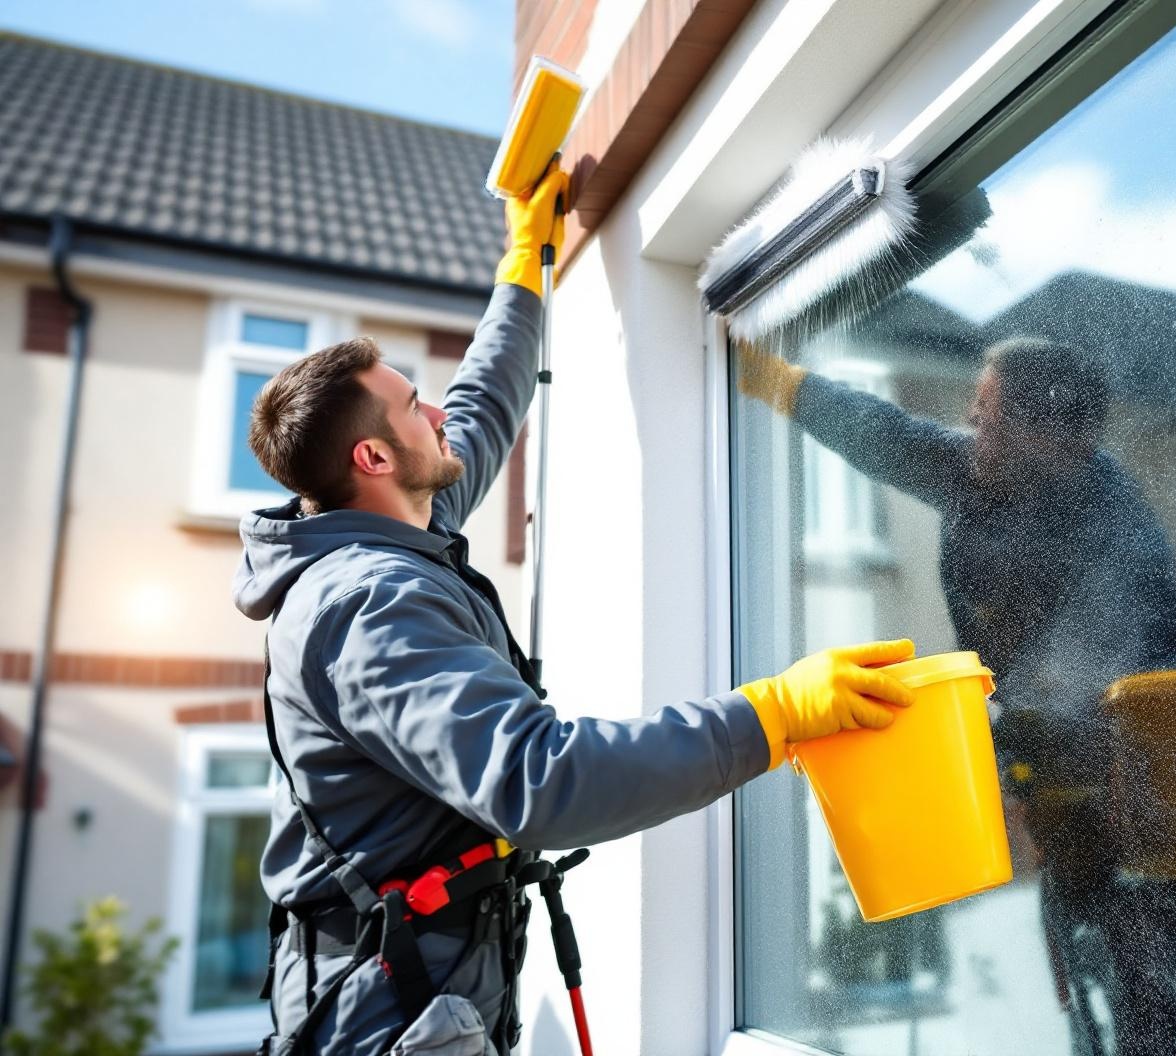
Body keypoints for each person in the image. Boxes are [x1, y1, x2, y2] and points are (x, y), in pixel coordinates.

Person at [234, 164, 917, 1056]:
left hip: (432, 987)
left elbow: (482, 403)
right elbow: (540, 781)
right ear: (372, 456)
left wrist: (525, 264)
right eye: (410, 404)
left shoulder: (396, 520)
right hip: (385, 1018)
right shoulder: (368, 605)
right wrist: (772, 716)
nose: (433, 409)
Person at [739, 338, 1176, 1054]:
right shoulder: (973, 472)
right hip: (1068, 770)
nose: (973, 432)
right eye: (977, 412)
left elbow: (1087, 675)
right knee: (1103, 950)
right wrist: (782, 385)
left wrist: (986, 733)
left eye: (991, 418)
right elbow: (884, 435)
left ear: (1061, 443)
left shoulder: (1113, 529)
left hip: (1158, 771)